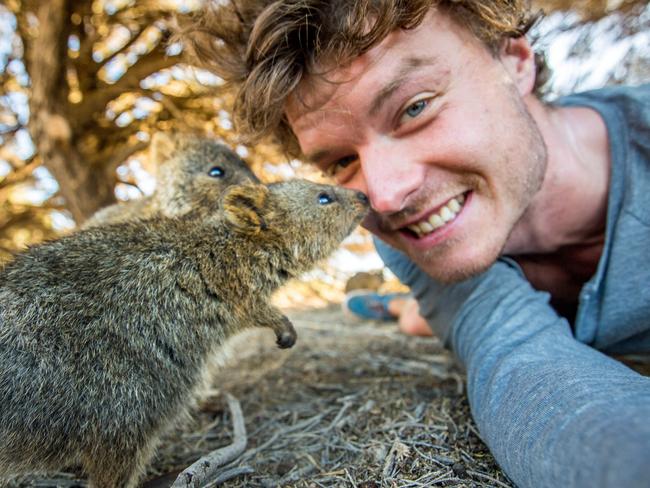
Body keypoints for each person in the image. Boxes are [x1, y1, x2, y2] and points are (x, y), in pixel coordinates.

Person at [179, 1, 650, 486]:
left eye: (415, 107)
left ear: (516, 60)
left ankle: (406, 308)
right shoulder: (414, 240)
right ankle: (404, 307)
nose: (384, 195)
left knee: (423, 317)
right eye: (341, 161)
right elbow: (519, 361)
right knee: (427, 316)